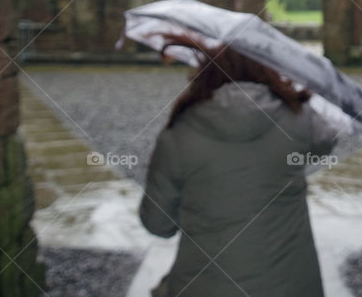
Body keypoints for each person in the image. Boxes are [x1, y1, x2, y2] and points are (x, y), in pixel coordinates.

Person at [139, 33, 338, 296]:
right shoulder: (297, 118)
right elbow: (327, 140)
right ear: (267, 69)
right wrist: (293, 92)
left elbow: (158, 224)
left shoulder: (180, 130)